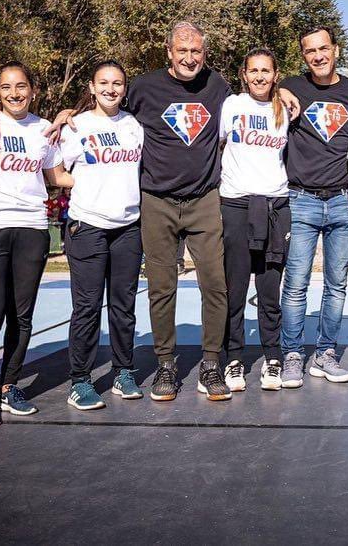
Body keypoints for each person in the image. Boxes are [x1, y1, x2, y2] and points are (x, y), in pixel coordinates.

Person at [51, 22, 233, 401]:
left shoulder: (219, 87)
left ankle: (212, 363)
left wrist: (282, 91)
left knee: (215, 284)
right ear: (168, 52)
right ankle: (166, 364)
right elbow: (108, 110)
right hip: (155, 202)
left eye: (196, 51)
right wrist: (72, 111)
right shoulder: (144, 88)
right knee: (161, 289)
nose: (189, 57)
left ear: (205, 53)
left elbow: (256, 103)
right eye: (181, 50)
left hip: (203, 200)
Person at [0, 62, 69, 427]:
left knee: (21, 315)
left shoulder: (44, 129)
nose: (15, 93)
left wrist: (111, 174)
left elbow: (57, 176)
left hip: (31, 229)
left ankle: (9, 387)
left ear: (33, 90)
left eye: (21, 86)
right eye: (7, 87)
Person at [276, 27, 348, 388]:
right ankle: (291, 355)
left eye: (323, 48)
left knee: (336, 285)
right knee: (296, 283)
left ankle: (326, 353)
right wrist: (279, 89)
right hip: (300, 199)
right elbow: (257, 93)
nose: (317, 56)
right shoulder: (290, 87)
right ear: (303, 55)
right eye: (309, 51)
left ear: (336, 49)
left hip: (341, 202)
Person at [59, 60, 144, 411]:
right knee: (87, 308)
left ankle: (124, 372)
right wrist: (87, 186)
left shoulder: (135, 125)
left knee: (124, 308)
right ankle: (80, 380)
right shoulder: (76, 125)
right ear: (92, 87)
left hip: (128, 227)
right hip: (88, 226)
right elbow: (54, 170)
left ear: (125, 89)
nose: (111, 88)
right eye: (104, 82)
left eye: (118, 83)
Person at [218, 48, 291, 391]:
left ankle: (272, 357)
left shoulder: (286, 109)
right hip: (235, 205)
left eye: (266, 70)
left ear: (276, 75)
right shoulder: (231, 106)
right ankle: (234, 357)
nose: (260, 76)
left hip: (276, 206)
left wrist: (286, 93)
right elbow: (215, 146)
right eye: (254, 71)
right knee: (235, 288)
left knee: (269, 289)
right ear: (244, 74)